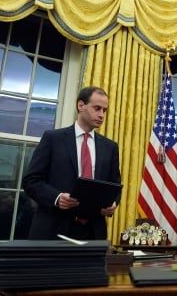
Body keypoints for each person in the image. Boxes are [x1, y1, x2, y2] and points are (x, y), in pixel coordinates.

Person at [23, 86, 121, 240]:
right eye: (97, 108)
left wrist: (113, 204)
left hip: (93, 232)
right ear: (81, 106)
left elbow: (115, 186)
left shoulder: (110, 147)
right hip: (53, 229)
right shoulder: (53, 139)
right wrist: (57, 197)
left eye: (105, 110)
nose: (101, 115)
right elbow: (31, 181)